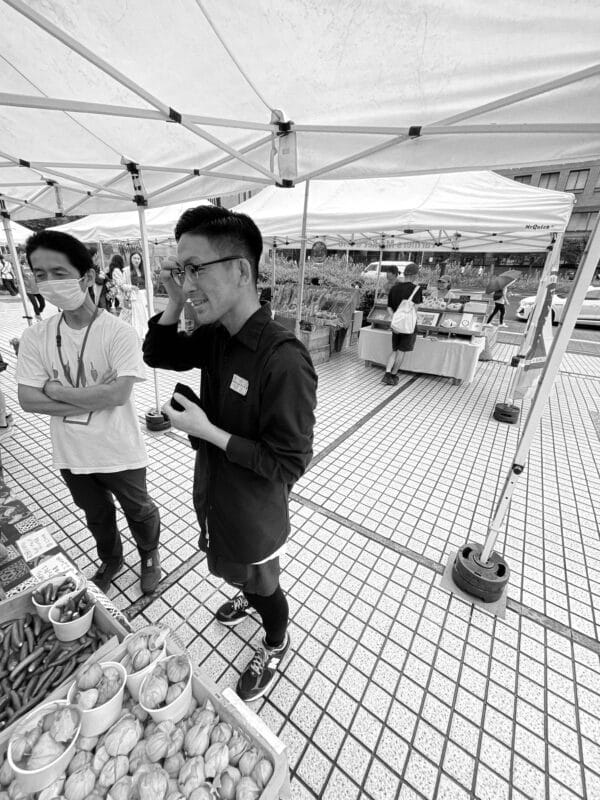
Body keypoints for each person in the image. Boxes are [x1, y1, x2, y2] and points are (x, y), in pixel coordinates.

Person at [142, 205, 317, 702]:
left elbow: (289, 463)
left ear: (241, 270)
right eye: (180, 269)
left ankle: (276, 639)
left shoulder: (283, 360)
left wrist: (209, 431)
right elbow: (158, 354)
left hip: (256, 507)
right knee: (238, 568)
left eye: (196, 268)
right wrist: (176, 301)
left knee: (265, 583)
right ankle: (247, 595)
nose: (187, 280)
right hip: (217, 489)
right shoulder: (219, 336)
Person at [16, 230, 161, 595]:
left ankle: (149, 554)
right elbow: (28, 400)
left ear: (86, 277)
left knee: (139, 509)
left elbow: (118, 394)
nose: (47, 282)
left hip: (119, 450)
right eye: (39, 273)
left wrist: (55, 389)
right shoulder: (37, 336)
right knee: (96, 515)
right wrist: (92, 396)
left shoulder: (119, 333)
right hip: (72, 453)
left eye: (57, 272)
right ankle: (111, 559)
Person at [382, 262, 423, 385]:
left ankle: (387, 372)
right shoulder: (417, 289)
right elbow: (415, 309)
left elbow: (389, 308)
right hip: (408, 326)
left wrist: (396, 318)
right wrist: (405, 318)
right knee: (401, 351)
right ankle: (393, 375)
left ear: (404, 273)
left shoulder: (394, 288)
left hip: (396, 325)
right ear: (415, 275)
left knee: (395, 350)